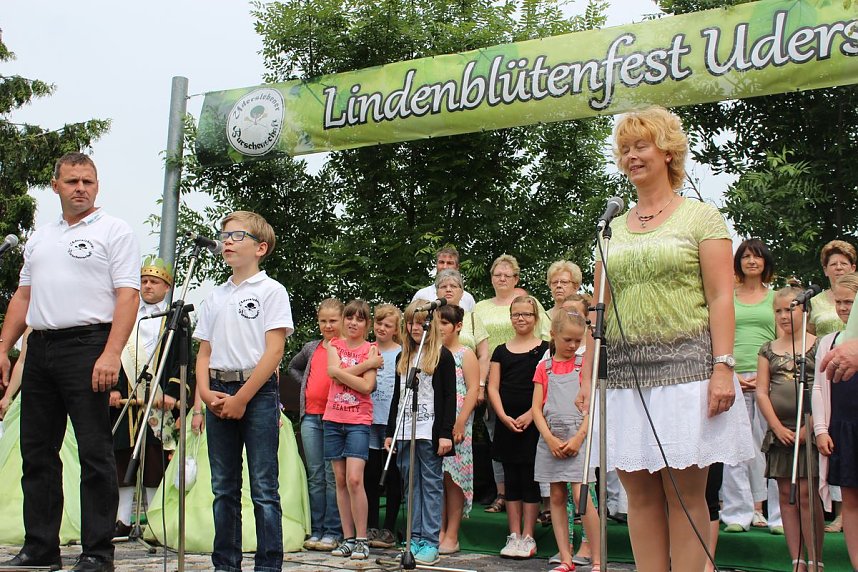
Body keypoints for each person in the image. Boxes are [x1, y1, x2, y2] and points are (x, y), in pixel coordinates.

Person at [577, 107, 754, 571]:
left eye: (642, 145)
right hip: (624, 378)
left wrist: (723, 366)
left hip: (689, 372)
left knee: (684, 492)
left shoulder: (702, 217)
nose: (632, 156)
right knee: (638, 494)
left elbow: (720, 297)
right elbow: (598, 310)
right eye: (625, 148)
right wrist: (586, 376)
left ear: (668, 152)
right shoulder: (611, 227)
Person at [0, 152, 140, 572]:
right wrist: (4, 346)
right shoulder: (41, 238)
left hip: (88, 344)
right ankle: (40, 546)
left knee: (95, 452)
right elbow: (23, 298)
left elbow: (127, 295)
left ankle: (98, 551)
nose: (81, 188)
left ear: (97, 186)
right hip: (39, 346)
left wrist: (112, 352)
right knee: (37, 452)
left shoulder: (114, 231)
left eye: (89, 181)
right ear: (56, 185)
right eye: (73, 181)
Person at [194, 210, 294, 572]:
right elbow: (203, 351)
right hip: (218, 390)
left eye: (237, 236)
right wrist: (205, 394)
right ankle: (226, 564)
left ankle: (268, 565)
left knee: (264, 489)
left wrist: (242, 398)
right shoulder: (215, 295)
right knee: (223, 487)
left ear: (260, 248)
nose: (227, 242)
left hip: (257, 393)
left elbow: (275, 351)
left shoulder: (271, 290)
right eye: (224, 236)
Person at [110, 256, 183, 538]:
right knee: (122, 457)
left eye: (155, 282)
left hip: (158, 398)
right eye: (144, 281)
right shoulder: (125, 313)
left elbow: (178, 361)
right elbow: (114, 351)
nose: (148, 286)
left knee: (154, 460)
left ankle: (154, 520)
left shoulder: (175, 319)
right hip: (126, 397)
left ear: (167, 287)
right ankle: (122, 520)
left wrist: (174, 393)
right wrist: (113, 387)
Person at [474, 254, 550, 514]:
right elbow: (474, 344)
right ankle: (502, 493)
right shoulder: (480, 307)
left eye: (508, 274)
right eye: (497, 274)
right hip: (495, 380)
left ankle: (540, 499)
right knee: (498, 438)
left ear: (516, 278)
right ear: (492, 278)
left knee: (533, 443)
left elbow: (547, 338)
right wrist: (481, 386)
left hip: (531, 380)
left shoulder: (531, 303)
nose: (502, 278)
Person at [756, 286, 824, 572]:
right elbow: (761, 391)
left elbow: (822, 389)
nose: (784, 316)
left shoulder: (818, 345)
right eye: (779, 311)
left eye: (790, 309)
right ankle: (795, 559)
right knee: (786, 493)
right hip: (781, 431)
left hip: (808, 430)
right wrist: (775, 426)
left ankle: (815, 558)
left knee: (808, 493)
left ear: (804, 310)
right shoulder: (768, 349)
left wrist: (810, 428)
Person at [385, 299, 456, 566]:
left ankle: (430, 540)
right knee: (410, 485)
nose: (417, 327)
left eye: (422, 322)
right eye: (412, 322)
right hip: (405, 430)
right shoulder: (404, 356)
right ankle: (413, 538)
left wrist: (445, 432)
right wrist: (391, 431)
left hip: (429, 430)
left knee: (430, 485)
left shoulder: (441, 354)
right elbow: (397, 396)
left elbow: (449, 397)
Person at [720, 239, 783, 534]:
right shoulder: (727, 296)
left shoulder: (775, 298)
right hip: (732, 374)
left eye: (757, 256)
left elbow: (782, 337)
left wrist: (766, 374)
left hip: (769, 377)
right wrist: (730, 373)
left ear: (766, 262)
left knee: (771, 448)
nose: (751, 261)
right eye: (745, 256)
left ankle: (778, 516)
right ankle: (736, 514)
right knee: (734, 447)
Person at [533, 310, 600, 572]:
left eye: (577, 340)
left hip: (578, 438)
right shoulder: (544, 367)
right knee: (557, 495)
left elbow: (591, 407)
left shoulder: (584, 366)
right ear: (553, 336)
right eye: (567, 340)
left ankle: (596, 559)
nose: (572, 346)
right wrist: (549, 438)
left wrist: (579, 437)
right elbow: (537, 408)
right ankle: (565, 558)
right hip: (551, 439)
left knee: (582, 495)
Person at [489, 295, 549, 560]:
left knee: (529, 479)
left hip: (533, 422)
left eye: (526, 314)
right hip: (507, 422)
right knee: (511, 479)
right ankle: (513, 535)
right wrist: (502, 416)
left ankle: (528, 536)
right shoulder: (500, 350)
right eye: (516, 314)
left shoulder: (546, 348)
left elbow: (548, 388)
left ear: (535, 318)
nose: (521, 319)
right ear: (510, 317)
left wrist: (530, 415)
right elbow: (492, 386)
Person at [323, 299, 379, 561]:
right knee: (341, 480)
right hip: (333, 418)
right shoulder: (335, 345)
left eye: (359, 319)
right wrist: (366, 366)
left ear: (366, 324)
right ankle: (346, 538)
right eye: (349, 317)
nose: (353, 322)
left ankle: (361, 539)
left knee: (355, 479)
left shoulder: (371, 348)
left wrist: (341, 372)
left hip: (358, 420)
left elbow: (367, 387)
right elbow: (331, 373)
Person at [287, 298, 344, 551]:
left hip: (334, 418)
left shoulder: (346, 347)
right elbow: (293, 366)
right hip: (310, 416)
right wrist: (306, 386)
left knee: (333, 476)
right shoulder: (312, 347)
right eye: (323, 321)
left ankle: (334, 529)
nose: (328, 325)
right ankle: (317, 528)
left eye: (333, 320)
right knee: (315, 475)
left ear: (342, 320)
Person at [813, 272, 858, 569]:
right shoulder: (829, 341)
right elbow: (818, 385)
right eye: (839, 302)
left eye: (850, 302)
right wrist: (820, 429)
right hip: (844, 426)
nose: (843, 308)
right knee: (851, 500)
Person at [437, 304, 480, 555]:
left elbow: (473, 389)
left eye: (444, 323)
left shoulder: (465, 353)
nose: (439, 328)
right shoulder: (434, 352)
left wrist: (461, 421)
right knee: (438, 477)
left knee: (454, 478)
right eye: (437, 322)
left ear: (458, 326)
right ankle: (438, 529)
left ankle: (452, 532)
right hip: (438, 422)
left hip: (458, 423)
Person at [364, 304, 402, 549]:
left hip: (392, 423)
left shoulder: (402, 352)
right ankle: (370, 525)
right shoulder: (368, 350)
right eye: (378, 323)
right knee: (370, 473)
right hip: (368, 420)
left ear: (397, 329)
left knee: (394, 476)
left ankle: (389, 527)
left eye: (388, 325)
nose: (382, 328)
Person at [435, 269, 489, 402]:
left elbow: (484, 355)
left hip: (466, 387)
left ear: (462, 292)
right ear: (437, 292)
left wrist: (480, 385)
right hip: (435, 384)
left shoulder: (472, 318)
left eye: (453, 286)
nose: (448, 290)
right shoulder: (430, 319)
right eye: (443, 286)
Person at [808, 240, 856, 338]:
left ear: (853, 268)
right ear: (825, 270)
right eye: (833, 264)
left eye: (843, 263)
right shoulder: (814, 302)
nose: (839, 267)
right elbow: (810, 338)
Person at [413, 246, 476, 311]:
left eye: (449, 263)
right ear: (436, 265)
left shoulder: (468, 299)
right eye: (441, 262)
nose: (445, 267)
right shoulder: (422, 295)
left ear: (457, 267)